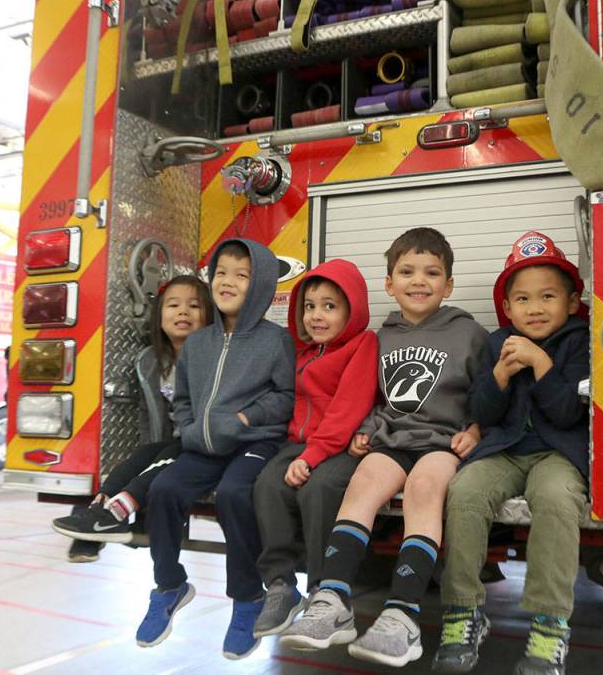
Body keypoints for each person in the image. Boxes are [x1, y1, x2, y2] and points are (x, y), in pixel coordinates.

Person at [281, 227, 488, 668]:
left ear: (447, 284)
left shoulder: (468, 333)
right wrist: (367, 427)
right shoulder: (381, 337)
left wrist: (476, 429)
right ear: (389, 284)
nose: (419, 281)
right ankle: (333, 597)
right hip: (391, 440)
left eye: (432, 273)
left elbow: (488, 394)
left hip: (439, 444)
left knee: (424, 490)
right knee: (362, 486)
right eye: (407, 271)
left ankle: (404, 613)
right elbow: (374, 396)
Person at [431, 231, 589, 675]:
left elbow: (565, 413)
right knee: (464, 493)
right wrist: (499, 374)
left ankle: (550, 624)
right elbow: (482, 411)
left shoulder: (579, 340)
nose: (534, 308)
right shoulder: (498, 341)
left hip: (557, 453)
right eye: (521, 299)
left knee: (557, 501)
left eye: (547, 297)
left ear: (572, 302)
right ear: (507, 307)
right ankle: (463, 611)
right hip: (505, 450)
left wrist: (542, 363)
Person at [135, 239, 295, 660]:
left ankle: (247, 599)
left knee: (234, 494)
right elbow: (184, 398)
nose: (227, 282)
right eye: (221, 273)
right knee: (165, 491)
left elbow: (285, 396)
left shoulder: (275, 340)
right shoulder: (200, 343)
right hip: (203, 445)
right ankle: (169, 585)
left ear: (260, 285)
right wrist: (188, 429)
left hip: (254, 443)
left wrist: (244, 420)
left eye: (241, 276)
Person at [250, 259, 378, 639]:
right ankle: (280, 585)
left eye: (329, 306)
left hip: (340, 448)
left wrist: (311, 457)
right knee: (267, 485)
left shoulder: (362, 344)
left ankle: (327, 592)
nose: (316, 316)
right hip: (300, 444)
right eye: (309, 306)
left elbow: (347, 409)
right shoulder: (303, 352)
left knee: (318, 490)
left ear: (351, 310)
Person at [52, 274, 213, 562]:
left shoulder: (211, 357)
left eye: (194, 306)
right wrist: (147, 455)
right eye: (173, 305)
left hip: (203, 442)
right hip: (170, 442)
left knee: (166, 454)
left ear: (209, 317)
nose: (183, 312)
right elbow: (147, 414)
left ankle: (116, 512)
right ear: (159, 317)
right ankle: (96, 514)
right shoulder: (151, 361)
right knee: (138, 458)